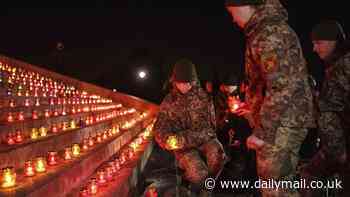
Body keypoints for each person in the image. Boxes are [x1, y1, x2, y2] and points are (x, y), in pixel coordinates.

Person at [225, 0, 316, 196]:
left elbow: (282, 86)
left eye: (232, 11)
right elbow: (271, 82)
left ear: (245, 4)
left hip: (282, 122)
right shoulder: (264, 31)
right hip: (281, 119)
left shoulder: (269, 33)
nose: (233, 19)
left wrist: (262, 132)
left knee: (275, 187)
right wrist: (252, 109)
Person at [153, 59, 226, 196]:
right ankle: (193, 182)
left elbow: (211, 128)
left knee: (219, 155)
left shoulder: (204, 98)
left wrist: (191, 137)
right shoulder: (169, 102)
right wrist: (167, 140)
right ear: (174, 82)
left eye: (188, 82)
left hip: (203, 140)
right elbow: (159, 129)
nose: (185, 86)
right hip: (183, 147)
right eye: (181, 83)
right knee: (199, 173)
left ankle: (206, 190)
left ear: (194, 81)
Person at [301, 20, 350, 196]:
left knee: (310, 175)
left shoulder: (338, 70)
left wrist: (338, 154)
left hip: (343, 148)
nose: (314, 48)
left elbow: (329, 115)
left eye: (318, 43)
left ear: (333, 41)